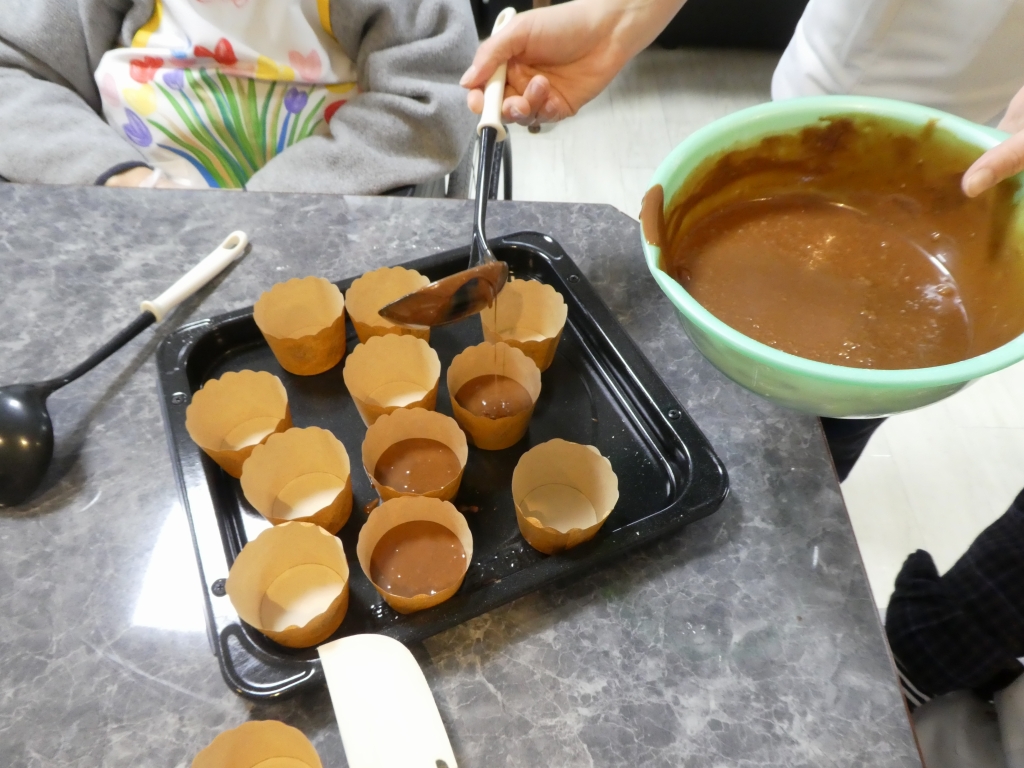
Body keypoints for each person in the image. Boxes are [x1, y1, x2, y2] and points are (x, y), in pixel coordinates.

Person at [460, 1, 1024, 765]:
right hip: (821, 97)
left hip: (986, 162)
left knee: (808, 461)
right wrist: (618, 18)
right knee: (723, 417)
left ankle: (797, 535)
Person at [0, 0, 478, 193]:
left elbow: (430, 107)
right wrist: (125, 181)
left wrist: (258, 208)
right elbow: (13, 72)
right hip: (134, 232)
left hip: (337, 229)